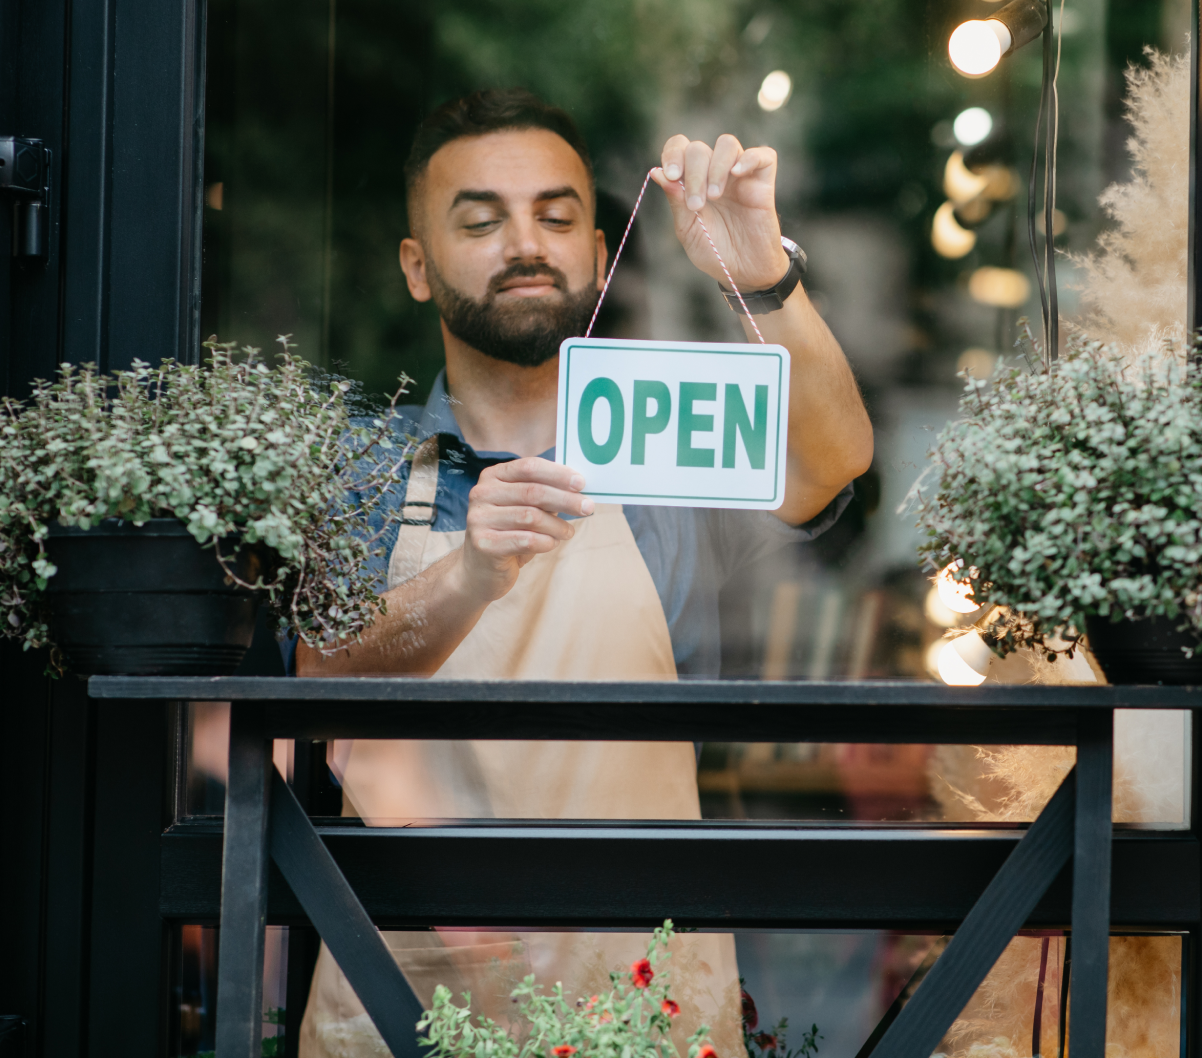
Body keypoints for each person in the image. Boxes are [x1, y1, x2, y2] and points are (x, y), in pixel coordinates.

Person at [295, 89, 874, 1057]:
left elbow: (831, 459)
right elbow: (317, 682)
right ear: (414, 265)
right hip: (407, 1001)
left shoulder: (669, 444)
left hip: (642, 993)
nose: (525, 242)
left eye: (555, 216)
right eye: (479, 219)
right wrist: (471, 570)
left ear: (600, 253)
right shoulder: (357, 467)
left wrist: (760, 272)